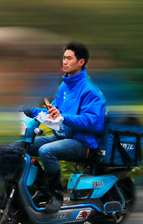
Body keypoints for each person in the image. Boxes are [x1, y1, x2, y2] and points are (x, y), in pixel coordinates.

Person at [18, 42, 107, 213]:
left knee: (46, 151)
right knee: (19, 147)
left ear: (81, 62)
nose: (64, 61)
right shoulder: (64, 86)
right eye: (63, 58)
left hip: (83, 142)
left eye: (69, 58)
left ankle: (56, 194)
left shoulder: (91, 90)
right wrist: (30, 111)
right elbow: (53, 111)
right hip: (63, 137)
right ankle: (43, 189)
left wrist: (63, 117)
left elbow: (92, 122)